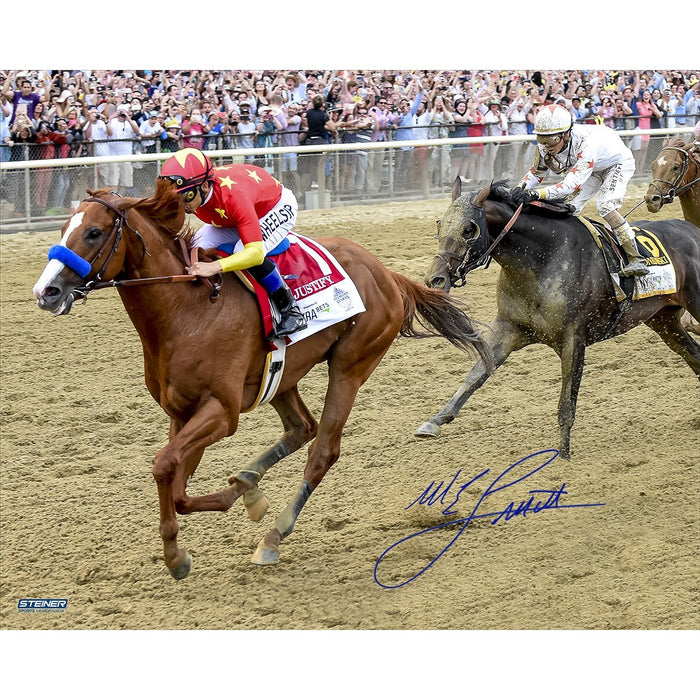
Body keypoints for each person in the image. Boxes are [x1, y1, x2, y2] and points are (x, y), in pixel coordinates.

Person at [158, 148, 307, 339]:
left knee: (242, 250)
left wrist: (214, 266)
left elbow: (255, 253)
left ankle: (290, 309)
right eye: (176, 198)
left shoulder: (233, 197)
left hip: (274, 206)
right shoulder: (193, 191)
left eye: (186, 197)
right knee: (196, 246)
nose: (181, 205)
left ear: (204, 186)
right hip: (233, 215)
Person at [510, 104, 648, 277]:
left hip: (616, 164)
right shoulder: (545, 146)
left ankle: (636, 257)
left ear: (566, 134)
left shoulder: (587, 143)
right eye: (541, 139)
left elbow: (569, 185)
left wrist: (535, 194)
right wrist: (519, 188)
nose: (547, 146)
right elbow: (536, 173)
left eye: (552, 140)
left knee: (605, 206)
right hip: (593, 169)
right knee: (569, 207)